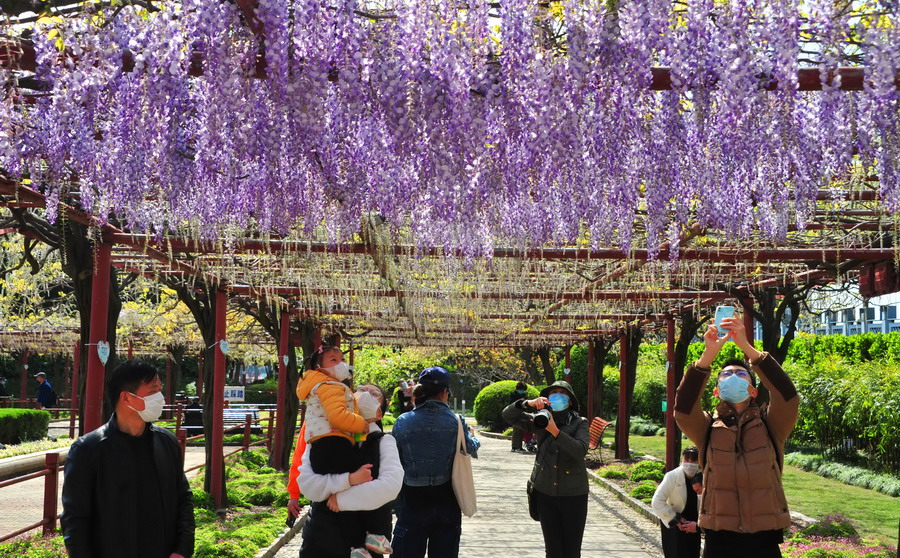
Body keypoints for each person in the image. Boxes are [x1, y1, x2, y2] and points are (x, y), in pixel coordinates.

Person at [674, 314, 799, 558]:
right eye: (726, 374)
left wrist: (747, 347)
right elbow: (683, 409)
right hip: (720, 539)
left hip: (764, 539)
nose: (733, 377)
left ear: (753, 391)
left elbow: (788, 396)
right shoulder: (707, 428)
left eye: (741, 375)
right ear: (717, 391)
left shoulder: (771, 425)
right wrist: (708, 355)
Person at [61, 360, 194, 558]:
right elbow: (75, 518)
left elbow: (183, 499)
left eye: (160, 390)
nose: (160, 398)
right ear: (126, 397)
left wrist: (182, 550)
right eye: (152, 391)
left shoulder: (167, 443)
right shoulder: (88, 450)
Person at [296, 346, 391, 557]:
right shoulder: (330, 387)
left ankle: (358, 545)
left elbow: (390, 487)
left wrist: (341, 496)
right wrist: (350, 479)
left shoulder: (385, 441)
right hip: (322, 538)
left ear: (380, 412)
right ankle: (372, 535)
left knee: (348, 497)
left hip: (330, 532)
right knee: (364, 475)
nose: (340, 364)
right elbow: (307, 484)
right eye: (333, 360)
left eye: (374, 394)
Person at [390, 366, 480, 558]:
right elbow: (469, 448)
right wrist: (475, 439)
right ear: (445, 392)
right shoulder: (456, 421)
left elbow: (395, 460)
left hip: (412, 498)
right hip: (447, 497)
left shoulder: (403, 421)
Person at [502, 380, 590, 558]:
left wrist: (555, 431)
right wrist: (527, 403)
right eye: (553, 393)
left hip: (574, 495)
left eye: (562, 393)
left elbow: (580, 451)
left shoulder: (579, 422)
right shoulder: (539, 420)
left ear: (570, 400)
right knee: (553, 550)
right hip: (545, 492)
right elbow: (508, 416)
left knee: (572, 551)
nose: (558, 396)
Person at [651, 447, 702, 558]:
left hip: (694, 523)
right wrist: (675, 518)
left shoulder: (703, 477)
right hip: (674, 522)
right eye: (687, 460)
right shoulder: (672, 476)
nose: (690, 464)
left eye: (694, 460)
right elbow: (657, 502)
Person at [509, 381, 528, 452]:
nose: (522, 391)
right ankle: (514, 446)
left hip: (522, 413)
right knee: (516, 430)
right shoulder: (513, 395)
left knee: (521, 430)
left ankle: (519, 446)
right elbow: (511, 404)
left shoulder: (525, 395)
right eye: (521, 389)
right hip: (515, 413)